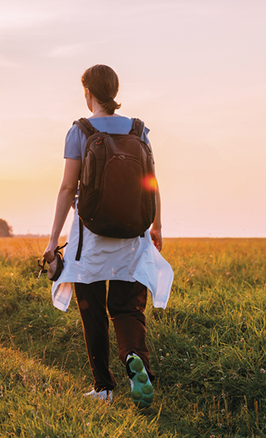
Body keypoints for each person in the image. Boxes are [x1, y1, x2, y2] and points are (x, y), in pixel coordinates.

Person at [43, 64, 164, 407]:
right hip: (132, 236)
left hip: (91, 239)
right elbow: (151, 184)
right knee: (127, 307)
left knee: (92, 309)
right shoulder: (139, 130)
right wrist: (156, 226)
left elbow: (68, 188)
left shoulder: (80, 130)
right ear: (114, 91)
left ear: (88, 93)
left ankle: (104, 388)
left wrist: (52, 241)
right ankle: (134, 358)